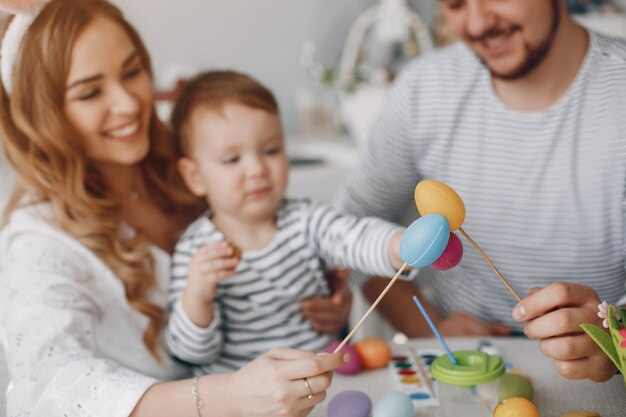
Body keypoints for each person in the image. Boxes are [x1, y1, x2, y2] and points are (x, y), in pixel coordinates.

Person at [0, 1, 351, 416]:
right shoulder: (38, 243)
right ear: (45, 115)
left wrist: (325, 298)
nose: (129, 104)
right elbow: (50, 388)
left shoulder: (196, 168)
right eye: (91, 92)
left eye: (132, 72)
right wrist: (229, 396)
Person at [335, 0, 626, 383]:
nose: (476, 23)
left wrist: (616, 337)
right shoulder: (423, 90)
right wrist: (431, 327)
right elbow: (348, 234)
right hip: (464, 366)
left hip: (603, 378)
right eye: (455, 4)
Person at [163, 70, 405, 374]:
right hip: (246, 403)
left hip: (320, 387)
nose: (256, 169)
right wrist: (197, 295)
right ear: (195, 177)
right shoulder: (196, 252)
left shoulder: (306, 220)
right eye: (232, 159)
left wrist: (400, 246)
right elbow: (190, 353)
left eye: (271, 150)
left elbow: (353, 237)